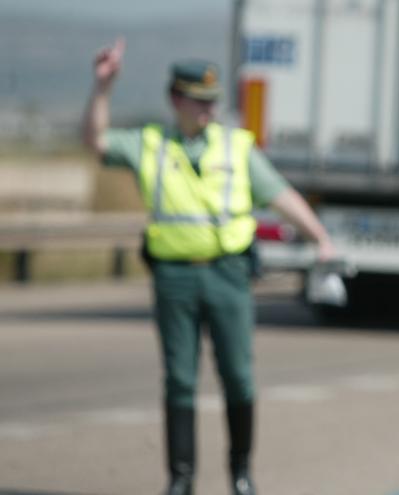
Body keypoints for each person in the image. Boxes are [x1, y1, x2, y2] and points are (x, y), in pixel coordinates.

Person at [82, 39, 336, 495]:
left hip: (228, 275)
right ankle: (180, 479)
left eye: (212, 102)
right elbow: (96, 142)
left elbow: (281, 195)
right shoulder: (150, 144)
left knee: (237, 374)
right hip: (174, 277)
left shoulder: (237, 147)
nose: (207, 110)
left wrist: (321, 238)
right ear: (175, 99)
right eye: (198, 102)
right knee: (179, 378)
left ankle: (241, 473)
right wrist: (103, 89)